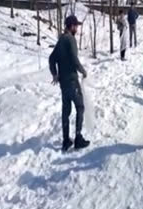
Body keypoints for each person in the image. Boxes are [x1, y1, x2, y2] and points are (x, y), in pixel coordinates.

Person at [49, 15, 90, 151]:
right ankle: (78, 138)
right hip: (72, 81)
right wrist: (83, 71)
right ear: (71, 26)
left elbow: (51, 58)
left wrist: (55, 74)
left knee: (66, 111)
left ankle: (66, 140)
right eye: (76, 26)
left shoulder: (61, 40)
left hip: (63, 84)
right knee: (80, 107)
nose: (77, 28)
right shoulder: (70, 39)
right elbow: (74, 58)